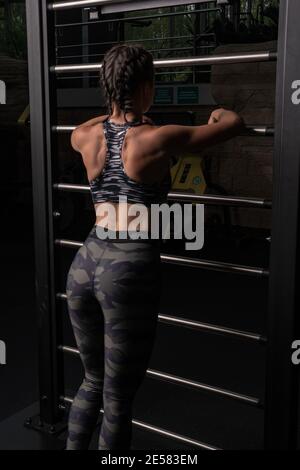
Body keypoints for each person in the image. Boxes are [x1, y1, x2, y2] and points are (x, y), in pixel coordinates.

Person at [65, 43, 245, 450]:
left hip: (84, 263)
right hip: (126, 269)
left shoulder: (83, 135)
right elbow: (231, 123)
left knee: (91, 380)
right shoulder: (157, 137)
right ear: (146, 87)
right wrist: (216, 113)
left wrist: (117, 110)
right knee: (117, 401)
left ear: (107, 87)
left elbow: (105, 123)